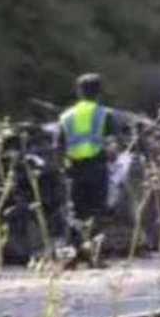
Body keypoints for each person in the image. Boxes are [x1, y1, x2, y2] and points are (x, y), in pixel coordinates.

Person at [58, 73, 118, 221]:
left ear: (79, 92)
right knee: (98, 212)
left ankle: (80, 241)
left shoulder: (66, 116)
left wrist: (64, 168)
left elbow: (59, 147)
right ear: (99, 93)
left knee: (78, 214)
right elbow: (112, 146)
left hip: (75, 170)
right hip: (97, 168)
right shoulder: (105, 114)